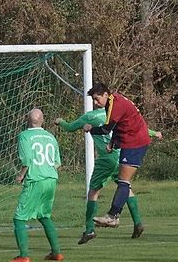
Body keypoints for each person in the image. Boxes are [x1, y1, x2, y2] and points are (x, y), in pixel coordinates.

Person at [54, 108, 162, 242]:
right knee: (125, 186)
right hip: (121, 156)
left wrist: (60, 121)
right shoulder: (117, 113)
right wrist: (154, 133)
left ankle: (89, 229)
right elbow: (137, 128)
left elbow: (70, 127)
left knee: (93, 192)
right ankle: (137, 223)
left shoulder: (90, 117)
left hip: (107, 158)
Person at [83, 84, 153, 229]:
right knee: (123, 182)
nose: (95, 103)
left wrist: (90, 129)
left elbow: (105, 129)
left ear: (105, 94)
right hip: (130, 141)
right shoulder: (113, 102)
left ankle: (112, 217)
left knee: (124, 182)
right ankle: (120, 218)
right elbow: (119, 125)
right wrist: (113, 143)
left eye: (96, 99)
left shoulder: (116, 104)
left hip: (135, 142)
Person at [10, 108, 63, 262]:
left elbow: (26, 160)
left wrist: (21, 175)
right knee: (44, 215)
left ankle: (23, 256)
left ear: (27, 119)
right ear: (43, 120)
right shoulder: (50, 137)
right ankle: (56, 253)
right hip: (51, 179)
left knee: (19, 218)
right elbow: (57, 163)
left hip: (35, 179)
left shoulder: (24, 136)